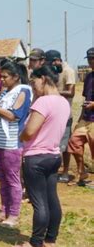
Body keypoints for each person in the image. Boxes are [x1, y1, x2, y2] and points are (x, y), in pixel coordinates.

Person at [11, 66, 70, 247]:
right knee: (52, 198)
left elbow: (29, 132)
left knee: (39, 202)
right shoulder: (63, 102)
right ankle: (50, 239)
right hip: (53, 155)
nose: (32, 86)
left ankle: (35, 243)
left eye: (33, 81)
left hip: (36, 157)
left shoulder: (43, 102)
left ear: (43, 78)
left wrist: (20, 136)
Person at [0, 61, 32, 228]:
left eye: (5, 77)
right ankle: (3, 210)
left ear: (16, 77)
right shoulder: (6, 92)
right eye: (1, 76)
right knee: (2, 178)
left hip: (11, 142)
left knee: (12, 179)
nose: (2, 80)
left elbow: (13, 116)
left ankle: (14, 214)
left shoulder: (23, 91)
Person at [43, 50, 76, 183]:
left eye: (50, 62)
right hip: (52, 113)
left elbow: (71, 92)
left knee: (65, 145)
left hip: (65, 114)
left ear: (57, 60)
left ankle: (66, 172)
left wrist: (53, 92)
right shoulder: (53, 71)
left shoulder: (68, 71)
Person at [67, 47, 94, 187]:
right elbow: (85, 98)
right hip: (87, 117)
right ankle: (81, 172)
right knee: (74, 142)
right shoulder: (89, 77)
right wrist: (80, 117)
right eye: (89, 59)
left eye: (92, 58)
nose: (90, 61)